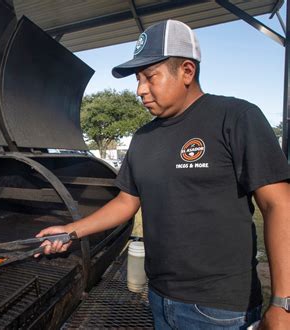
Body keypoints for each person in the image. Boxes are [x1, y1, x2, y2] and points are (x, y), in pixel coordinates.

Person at [36, 20, 289, 329]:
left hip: (219, 308)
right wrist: (71, 230)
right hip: (159, 297)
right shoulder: (143, 138)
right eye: (138, 79)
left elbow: (279, 205)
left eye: (149, 76)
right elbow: (126, 203)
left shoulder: (236, 117)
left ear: (186, 71)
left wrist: (283, 304)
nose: (140, 89)